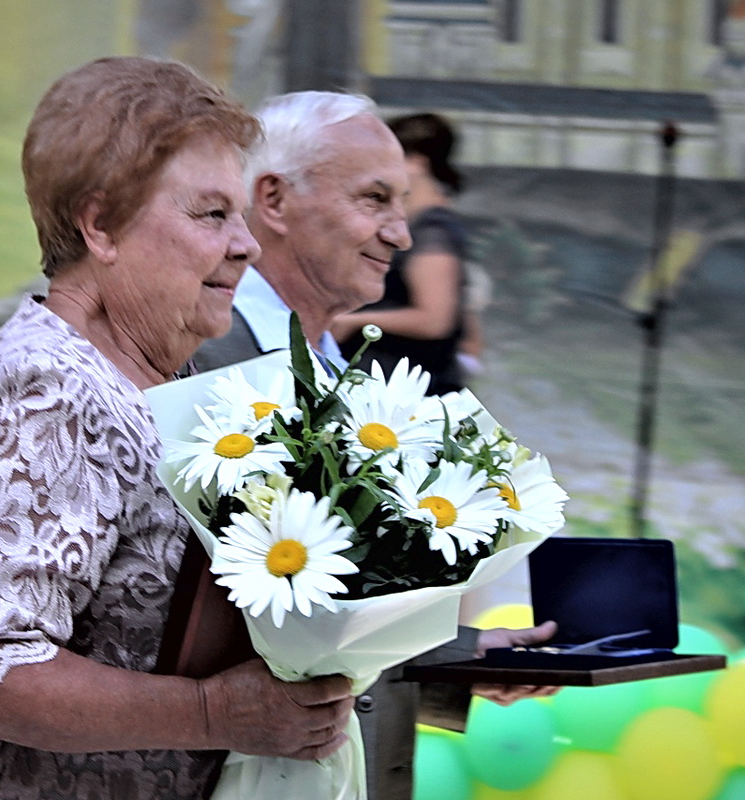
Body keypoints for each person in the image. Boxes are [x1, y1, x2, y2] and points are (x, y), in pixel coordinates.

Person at [0, 57, 358, 800]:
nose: (247, 245)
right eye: (211, 215)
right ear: (100, 225)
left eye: (239, 215)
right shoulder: (47, 391)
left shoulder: (166, 379)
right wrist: (214, 714)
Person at [188, 92, 557, 800]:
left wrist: (462, 660)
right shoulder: (201, 359)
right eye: (375, 200)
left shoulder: (352, 378)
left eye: (404, 202)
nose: (402, 233)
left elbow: (339, 624)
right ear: (274, 198)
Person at [331, 112, 472, 396]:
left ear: (418, 163)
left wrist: (354, 321)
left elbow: (435, 319)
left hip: (415, 391)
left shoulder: (434, 231)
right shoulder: (419, 224)